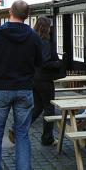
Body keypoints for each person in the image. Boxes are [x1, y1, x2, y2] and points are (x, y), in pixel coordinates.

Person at [0, 0, 42, 170]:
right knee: (22, 135)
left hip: (1, 89)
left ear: (10, 12)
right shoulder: (33, 36)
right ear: (27, 15)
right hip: (24, 89)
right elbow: (40, 62)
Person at [31, 16, 59, 145]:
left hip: (33, 79)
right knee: (49, 108)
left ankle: (16, 128)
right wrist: (58, 63)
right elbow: (45, 62)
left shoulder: (32, 40)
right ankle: (47, 138)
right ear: (46, 28)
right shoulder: (45, 42)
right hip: (44, 79)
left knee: (37, 106)